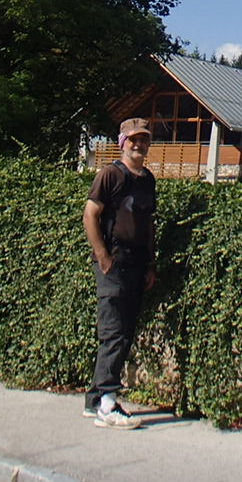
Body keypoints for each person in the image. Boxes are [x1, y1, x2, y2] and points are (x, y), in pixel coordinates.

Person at [83, 116, 158, 429]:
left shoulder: (147, 179)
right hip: (113, 263)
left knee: (122, 332)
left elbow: (150, 222)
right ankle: (108, 406)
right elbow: (90, 213)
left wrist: (151, 263)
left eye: (143, 139)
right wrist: (102, 256)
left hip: (137, 265)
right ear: (121, 143)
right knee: (114, 331)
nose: (138, 144)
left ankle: (94, 400)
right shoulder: (110, 174)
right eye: (132, 139)